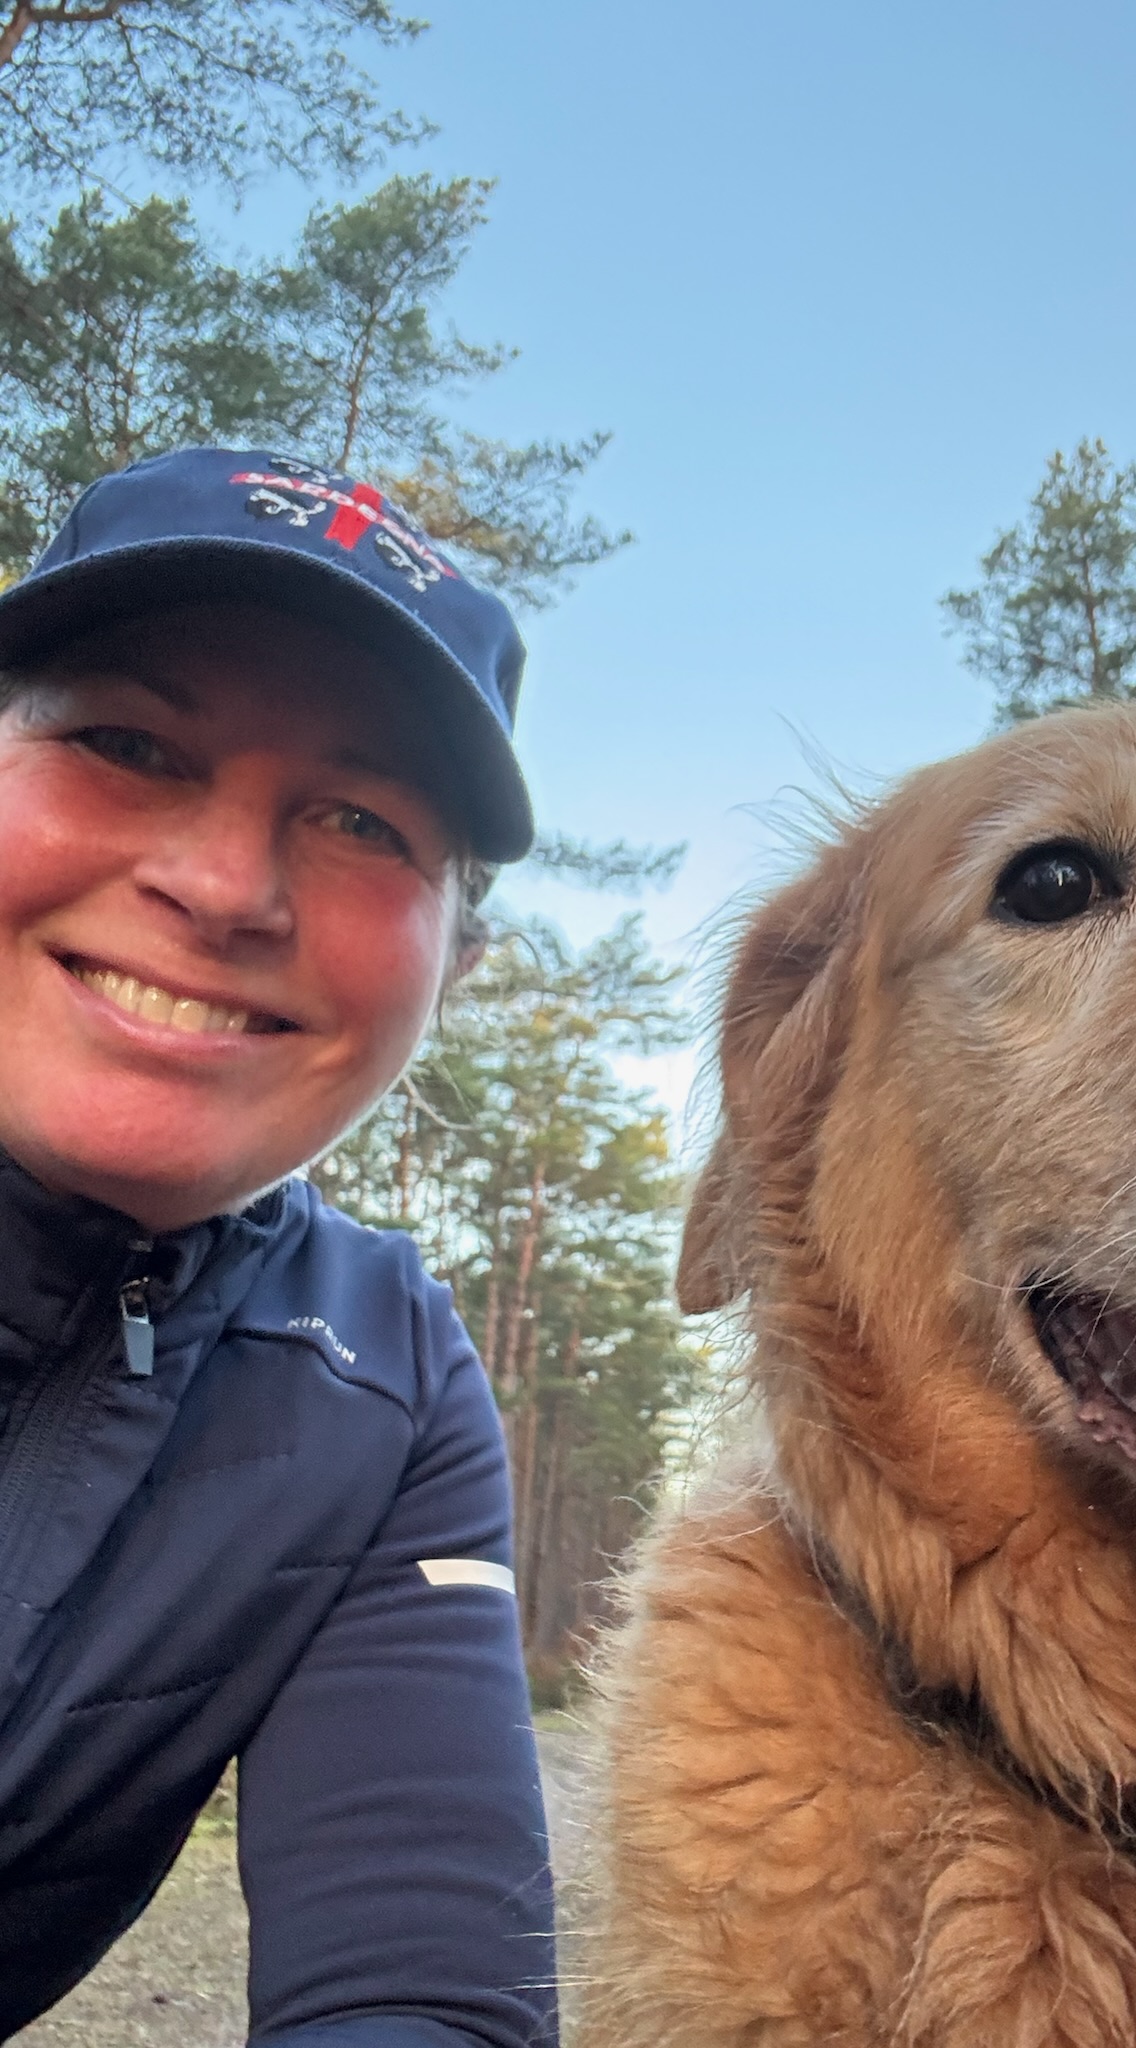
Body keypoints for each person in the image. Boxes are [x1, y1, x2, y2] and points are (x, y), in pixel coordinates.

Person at [0, 449, 559, 2046]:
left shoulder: (381, 1377)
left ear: (456, 963)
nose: (224, 886)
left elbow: (419, 1988)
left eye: (362, 819)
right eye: (126, 744)